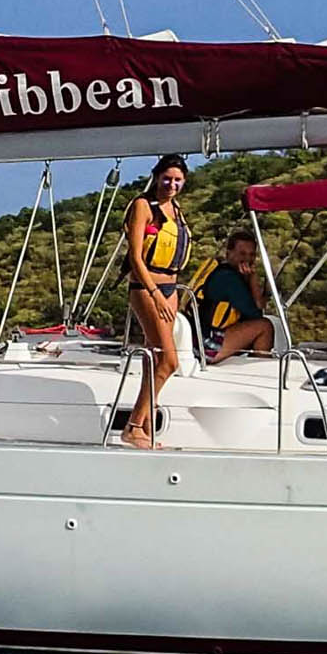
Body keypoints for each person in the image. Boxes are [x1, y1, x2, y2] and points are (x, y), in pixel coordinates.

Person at [121, 154, 190, 447]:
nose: (172, 184)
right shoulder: (142, 206)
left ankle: (146, 426)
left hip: (171, 288)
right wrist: (153, 294)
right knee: (169, 361)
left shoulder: (176, 209)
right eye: (167, 178)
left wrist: (168, 296)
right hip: (147, 287)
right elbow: (136, 257)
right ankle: (133, 425)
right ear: (156, 176)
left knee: (154, 360)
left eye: (178, 180)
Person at [186, 231, 274, 363]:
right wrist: (252, 279)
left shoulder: (223, 271)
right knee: (265, 327)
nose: (247, 259)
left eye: (251, 255)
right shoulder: (229, 279)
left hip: (196, 338)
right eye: (242, 254)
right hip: (206, 344)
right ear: (229, 254)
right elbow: (256, 313)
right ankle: (259, 370)